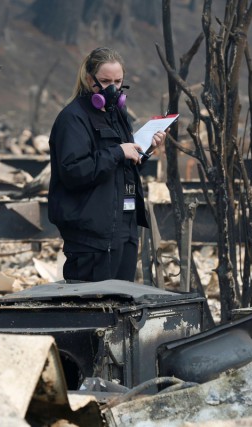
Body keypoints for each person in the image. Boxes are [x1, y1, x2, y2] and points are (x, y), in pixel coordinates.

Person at [48, 47, 166, 283]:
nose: (112, 88)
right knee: (93, 310)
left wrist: (145, 150)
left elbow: (123, 170)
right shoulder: (73, 118)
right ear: (89, 79)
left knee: (121, 305)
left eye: (118, 81)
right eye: (105, 81)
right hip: (91, 238)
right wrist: (117, 152)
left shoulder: (118, 114)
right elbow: (73, 171)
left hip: (124, 229)